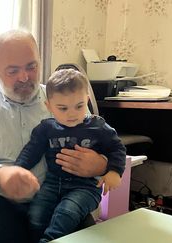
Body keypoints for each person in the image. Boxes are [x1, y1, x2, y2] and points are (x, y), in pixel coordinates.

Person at [0, 29, 108, 243]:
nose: (24, 77)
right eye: (13, 70)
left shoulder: (65, 101)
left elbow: (103, 141)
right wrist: (0, 174)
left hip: (58, 199)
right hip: (1, 202)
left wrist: (100, 164)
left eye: (31, 66)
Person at [15, 68, 126, 242]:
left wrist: (114, 171)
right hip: (52, 183)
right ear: (49, 106)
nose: (72, 113)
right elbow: (31, 151)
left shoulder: (98, 126)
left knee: (66, 212)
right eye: (63, 108)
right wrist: (17, 170)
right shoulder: (46, 128)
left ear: (87, 100)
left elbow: (117, 148)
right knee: (36, 214)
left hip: (86, 187)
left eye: (79, 106)